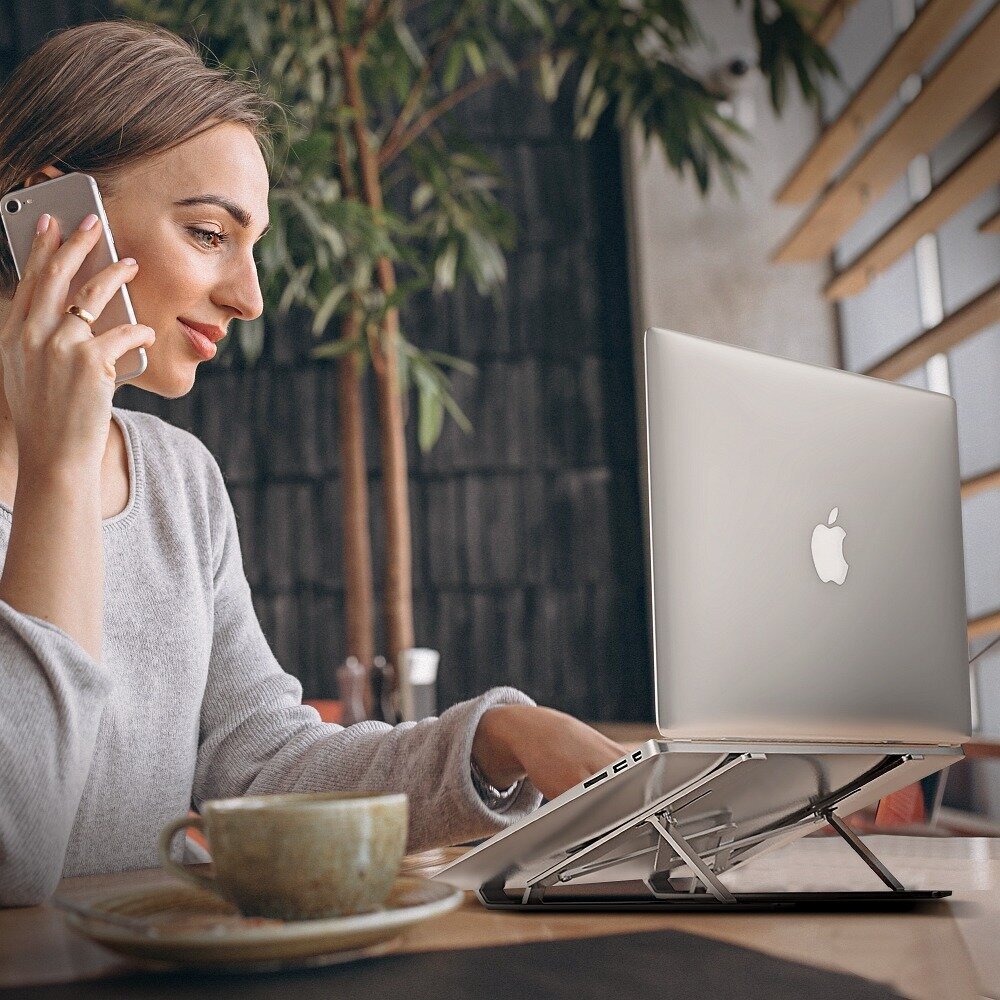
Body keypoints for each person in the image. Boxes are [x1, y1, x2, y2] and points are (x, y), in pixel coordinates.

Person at [0, 20, 625, 907]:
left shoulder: (181, 483)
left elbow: (260, 766)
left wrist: (495, 738)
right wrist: (60, 471)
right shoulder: (77, 474)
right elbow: (11, 857)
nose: (250, 298)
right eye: (210, 233)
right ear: (53, 218)